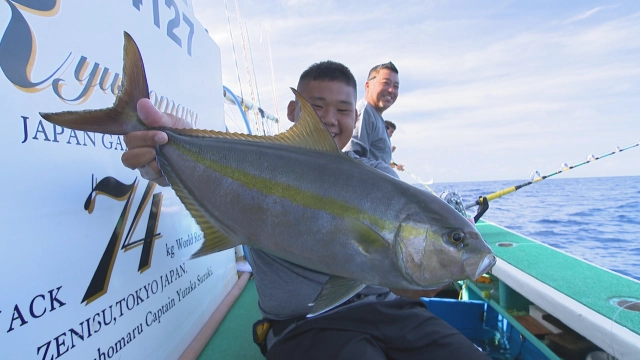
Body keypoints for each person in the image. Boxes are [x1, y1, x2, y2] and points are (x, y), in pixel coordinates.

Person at [121, 61, 487, 360]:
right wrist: (166, 151)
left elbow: (405, 283)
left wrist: (437, 268)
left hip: (389, 311)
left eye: (343, 109)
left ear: (354, 116)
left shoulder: (377, 176)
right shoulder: (264, 162)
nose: (330, 118)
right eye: (317, 107)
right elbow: (222, 169)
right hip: (302, 325)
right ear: (294, 112)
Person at [343, 62, 398, 168]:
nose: (391, 90)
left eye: (396, 86)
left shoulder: (375, 115)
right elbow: (351, 159)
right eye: (386, 83)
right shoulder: (365, 112)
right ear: (367, 86)